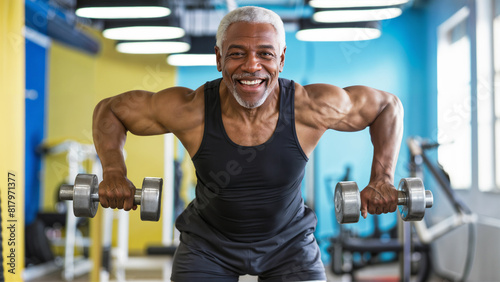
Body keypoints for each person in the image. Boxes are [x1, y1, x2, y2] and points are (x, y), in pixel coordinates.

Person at [92, 6, 403, 282]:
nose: (252, 66)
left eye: (265, 54)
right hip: (207, 244)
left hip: (290, 244)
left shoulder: (311, 107)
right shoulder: (191, 110)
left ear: (281, 59)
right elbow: (111, 110)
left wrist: (382, 178)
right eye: (237, 53)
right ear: (218, 58)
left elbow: (387, 106)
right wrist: (114, 171)